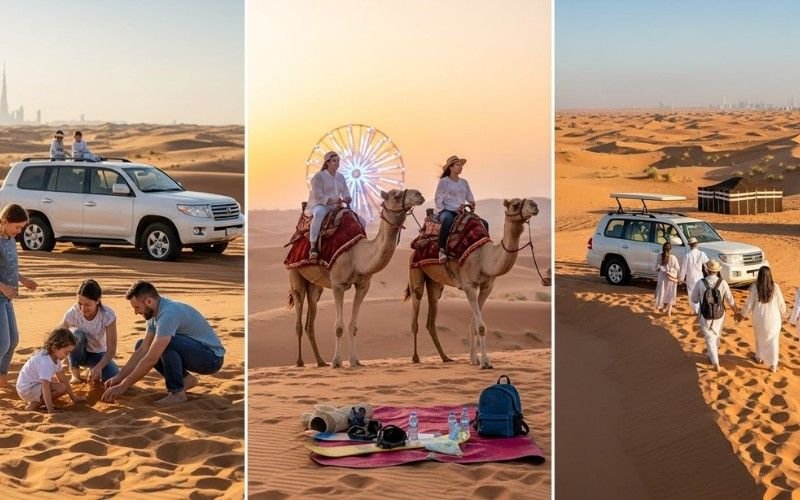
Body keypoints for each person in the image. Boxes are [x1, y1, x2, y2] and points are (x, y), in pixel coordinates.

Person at [101, 280, 225, 406]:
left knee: (164, 344)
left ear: (149, 301)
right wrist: (119, 378)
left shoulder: (168, 314)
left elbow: (151, 359)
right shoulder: (153, 314)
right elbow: (143, 349)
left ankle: (177, 394)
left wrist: (123, 386)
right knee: (141, 344)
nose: (136, 312)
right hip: (194, 352)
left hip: (211, 359)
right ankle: (185, 379)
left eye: (137, 307)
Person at [0, 204, 38, 392]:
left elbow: (10, 268)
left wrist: (23, 280)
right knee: (3, 343)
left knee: (13, 340)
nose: (19, 231)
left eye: (22, 228)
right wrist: (3, 287)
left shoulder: (10, 240)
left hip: (7, 298)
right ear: (5, 221)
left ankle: (2, 378)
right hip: (0, 296)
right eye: (17, 227)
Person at [58, 279, 120, 384]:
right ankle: (75, 375)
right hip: (78, 354)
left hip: (98, 354)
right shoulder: (73, 312)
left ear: (97, 300)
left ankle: (92, 369)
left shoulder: (108, 315)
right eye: (79, 303)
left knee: (113, 376)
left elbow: (111, 349)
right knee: (77, 334)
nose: (82, 308)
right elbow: (58, 333)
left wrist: (99, 368)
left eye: (87, 304)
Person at [305, 151, 362, 259]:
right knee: (318, 214)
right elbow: (318, 195)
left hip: (337, 206)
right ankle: (313, 246)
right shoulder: (319, 177)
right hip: (321, 205)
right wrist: (332, 201)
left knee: (359, 220)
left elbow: (346, 192)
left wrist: (347, 198)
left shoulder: (341, 177)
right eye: (334, 161)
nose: (337, 163)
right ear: (327, 162)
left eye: (338, 161)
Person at [15, 328, 86, 412]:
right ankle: (33, 406)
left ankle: (41, 402)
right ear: (54, 348)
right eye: (66, 353)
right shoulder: (45, 361)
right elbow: (45, 386)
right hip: (27, 389)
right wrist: (50, 409)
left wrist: (74, 397)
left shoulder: (55, 357)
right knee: (61, 388)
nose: (67, 356)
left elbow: (63, 379)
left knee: (60, 384)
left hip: (34, 385)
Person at [689, 260, 739, 371]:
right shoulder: (723, 283)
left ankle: (715, 362)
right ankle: (712, 355)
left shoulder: (701, 283)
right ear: (717, 271)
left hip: (705, 315)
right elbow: (730, 300)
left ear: (707, 270)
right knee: (716, 335)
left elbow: (694, 299)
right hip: (720, 315)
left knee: (709, 337)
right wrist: (737, 311)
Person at [740, 266, 786, 373]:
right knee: (773, 341)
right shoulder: (776, 287)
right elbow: (782, 306)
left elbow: (749, 305)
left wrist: (742, 315)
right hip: (774, 320)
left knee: (759, 338)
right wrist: (785, 315)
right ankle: (773, 365)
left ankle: (759, 357)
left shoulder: (755, 288)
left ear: (759, 276)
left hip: (759, 319)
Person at [434, 155, 478, 261]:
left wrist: (472, 203)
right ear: (450, 167)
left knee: (482, 223)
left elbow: (469, 197)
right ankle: (441, 250)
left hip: (462, 211)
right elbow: (438, 198)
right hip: (446, 210)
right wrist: (444, 209)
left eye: (461, 165)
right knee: (447, 220)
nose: (460, 167)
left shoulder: (464, 182)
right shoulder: (444, 181)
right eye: (458, 165)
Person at [680, 236, 709, 314]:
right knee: (700, 293)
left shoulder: (687, 255)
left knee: (691, 294)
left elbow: (683, 269)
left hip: (691, 277)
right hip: (700, 276)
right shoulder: (702, 253)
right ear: (696, 244)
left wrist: (681, 279)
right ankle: (699, 309)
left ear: (690, 245)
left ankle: (696, 310)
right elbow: (706, 265)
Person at [654, 241, 680, 316]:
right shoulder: (674, 257)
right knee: (670, 294)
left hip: (662, 279)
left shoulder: (659, 256)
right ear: (670, 249)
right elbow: (677, 268)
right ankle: (669, 311)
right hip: (671, 279)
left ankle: (663, 307)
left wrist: (662, 270)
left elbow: (655, 268)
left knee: (663, 293)